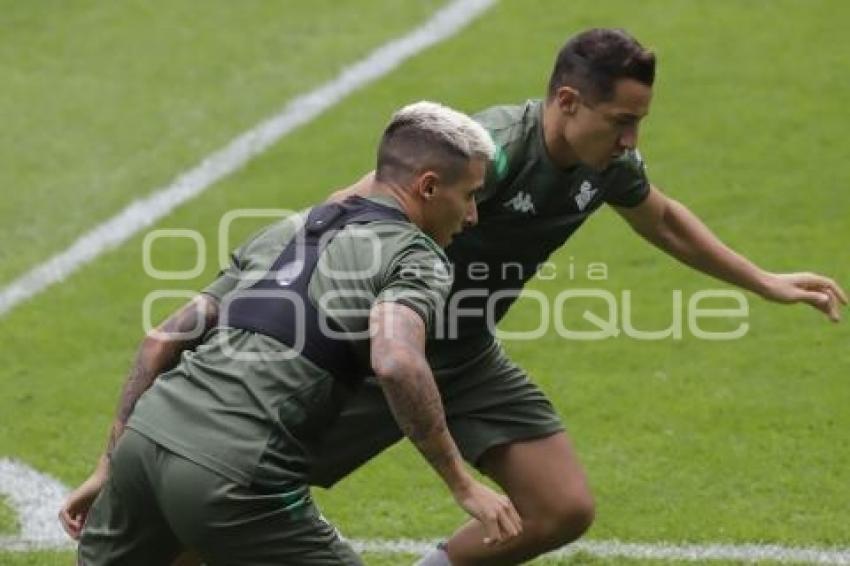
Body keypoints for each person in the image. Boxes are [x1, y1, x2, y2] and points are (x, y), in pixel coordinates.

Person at [64, 29, 848, 565]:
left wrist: (765, 282)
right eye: (621, 121)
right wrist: (274, 279)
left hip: (463, 353)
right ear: (567, 103)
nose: (631, 140)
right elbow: (366, 201)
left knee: (562, 507)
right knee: (221, 509)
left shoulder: (604, 164)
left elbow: (666, 221)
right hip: (370, 356)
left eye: (639, 123)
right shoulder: (490, 155)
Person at [65, 101, 523, 565]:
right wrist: (463, 485)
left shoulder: (289, 227)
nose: (472, 217)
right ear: (428, 187)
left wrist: (110, 464)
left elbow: (160, 341)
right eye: (468, 196)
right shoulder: (416, 257)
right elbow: (397, 361)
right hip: (235, 471)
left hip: (145, 441)